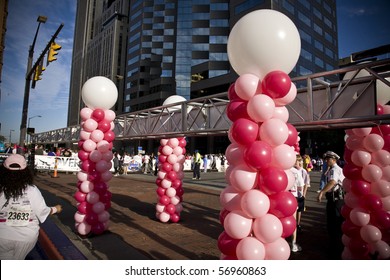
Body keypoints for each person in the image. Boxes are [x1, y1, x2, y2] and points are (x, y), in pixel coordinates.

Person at [0, 154, 62, 259]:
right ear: (25, 172)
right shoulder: (32, 190)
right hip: (26, 238)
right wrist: (56, 208)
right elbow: (42, 212)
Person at [317, 151, 345, 259]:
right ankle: (335, 246)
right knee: (334, 224)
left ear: (333, 159)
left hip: (336, 200)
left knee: (334, 224)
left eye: (328, 159)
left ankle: (335, 249)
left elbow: (332, 182)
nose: (326, 161)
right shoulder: (332, 169)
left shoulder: (334, 169)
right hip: (335, 199)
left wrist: (322, 192)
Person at [289, 154, 305, 252]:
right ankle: (293, 244)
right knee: (293, 222)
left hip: (280, 197)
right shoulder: (296, 171)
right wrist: (301, 196)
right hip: (293, 197)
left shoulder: (281, 170)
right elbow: (301, 186)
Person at [295, 156, 310, 232]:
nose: (296, 163)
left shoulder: (303, 171)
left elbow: (306, 183)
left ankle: (298, 224)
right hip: (293, 193)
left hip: (300, 194)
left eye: (297, 162)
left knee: (299, 210)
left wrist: (304, 194)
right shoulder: (292, 170)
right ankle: (293, 224)